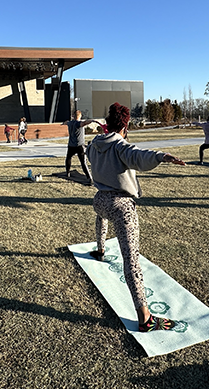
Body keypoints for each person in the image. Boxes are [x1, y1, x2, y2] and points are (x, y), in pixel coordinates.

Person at [86, 102, 186, 332]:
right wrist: (163, 156)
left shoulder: (95, 144)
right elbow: (137, 155)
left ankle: (100, 249)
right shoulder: (120, 145)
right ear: (126, 125)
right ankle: (145, 318)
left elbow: (93, 156)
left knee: (101, 217)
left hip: (99, 200)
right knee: (131, 261)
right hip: (121, 205)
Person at [61, 110, 99, 182]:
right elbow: (84, 123)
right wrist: (92, 120)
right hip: (79, 146)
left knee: (68, 158)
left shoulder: (70, 123)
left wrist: (63, 123)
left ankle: (68, 172)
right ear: (80, 116)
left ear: (73, 116)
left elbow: (66, 122)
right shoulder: (78, 123)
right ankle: (89, 177)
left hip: (71, 145)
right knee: (83, 162)